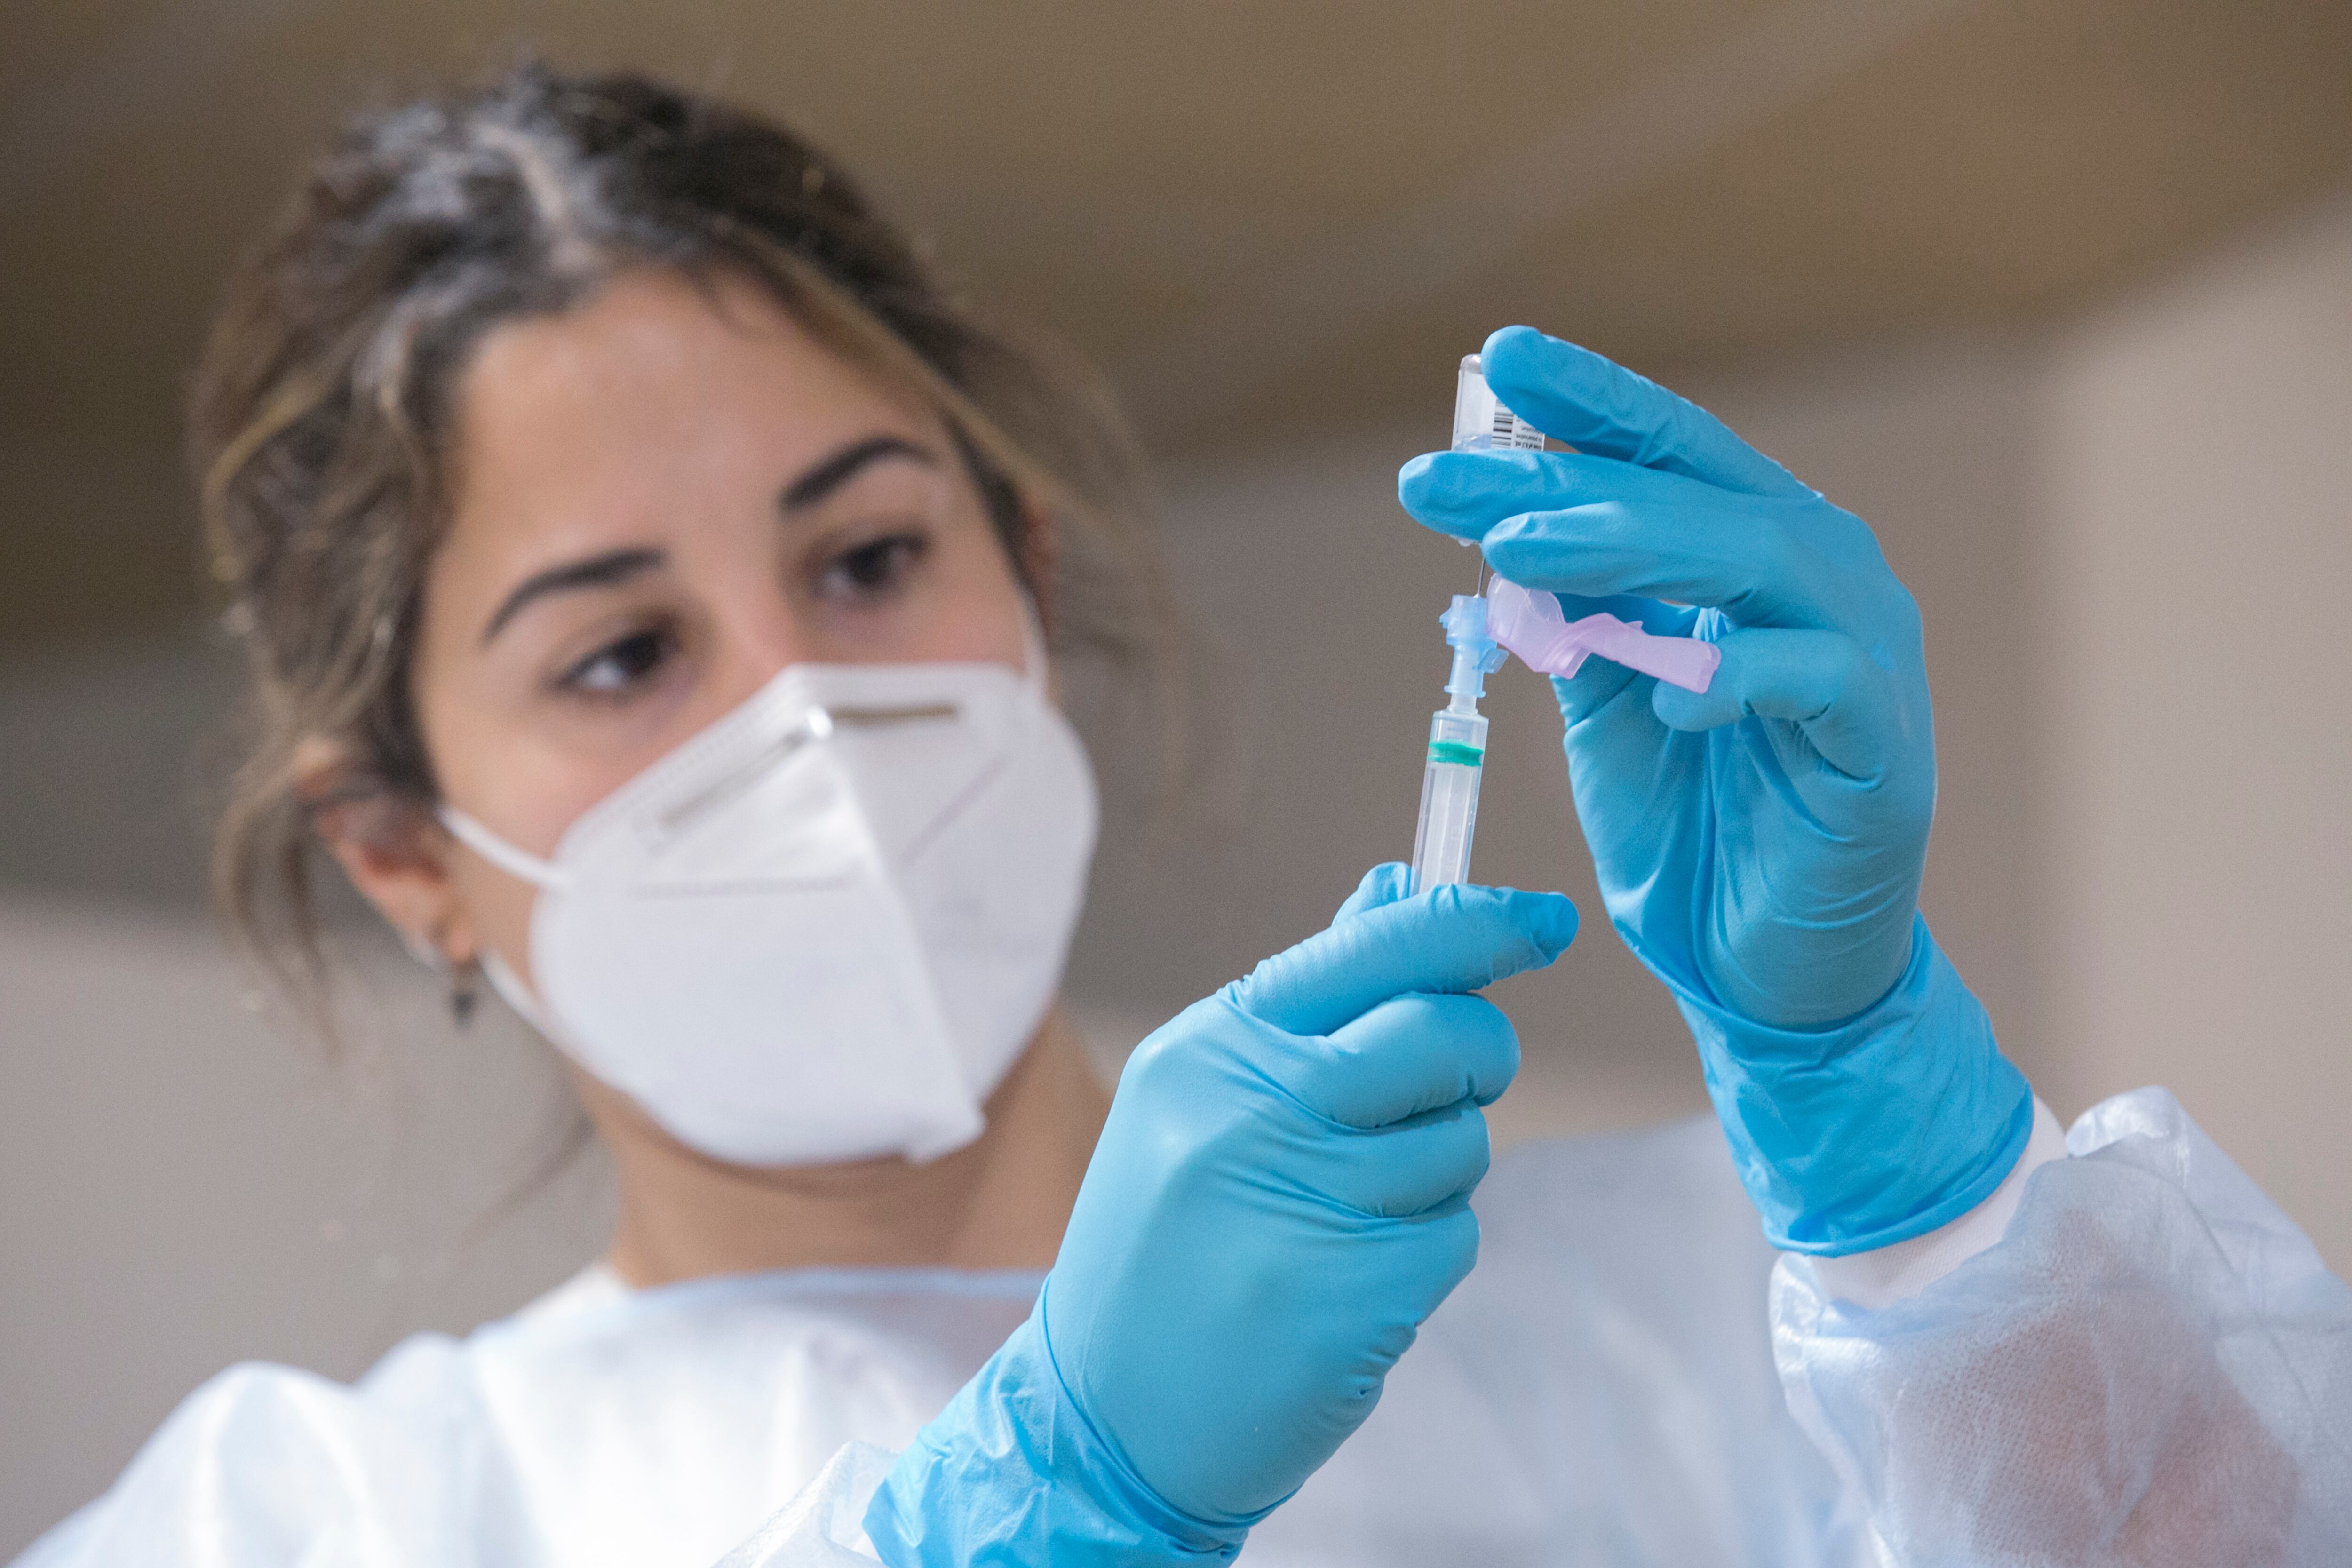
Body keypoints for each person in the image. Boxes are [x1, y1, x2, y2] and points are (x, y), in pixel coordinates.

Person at [20, 63, 2348, 1568]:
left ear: (1018, 579)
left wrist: (1896, 1143)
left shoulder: (1708, 1302)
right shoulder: (314, 1524)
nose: (809, 716)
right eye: (623, 656)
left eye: (864, 560)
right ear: (400, 853)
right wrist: (1056, 1509)